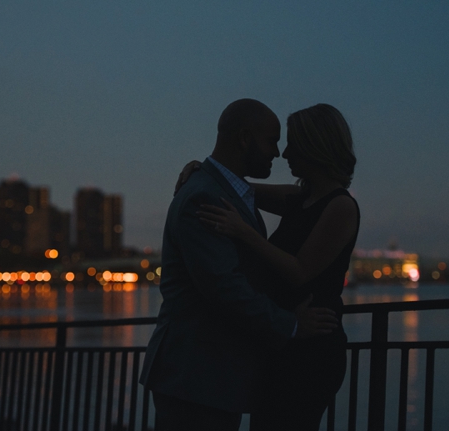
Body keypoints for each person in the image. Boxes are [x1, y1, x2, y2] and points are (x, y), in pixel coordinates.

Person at [139, 99, 340, 431]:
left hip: (205, 376)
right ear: (245, 138)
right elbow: (224, 288)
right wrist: (291, 324)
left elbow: (298, 201)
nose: (278, 153)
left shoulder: (221, 191)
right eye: (272, 141)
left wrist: (200, 167)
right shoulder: (206, 198)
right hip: (198, 377)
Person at [194, 103, 359, 431]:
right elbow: (240, 189)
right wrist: (200, 171)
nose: (284, 154)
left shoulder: (341, 206)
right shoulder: (300, 199)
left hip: (312, 349)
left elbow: (299, 270)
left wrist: (244, 232)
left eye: (293, 144)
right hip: (288, 339)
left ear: (315, 147)